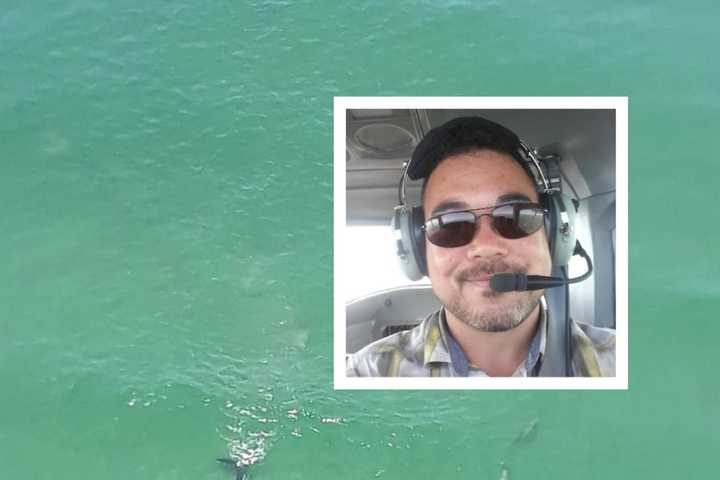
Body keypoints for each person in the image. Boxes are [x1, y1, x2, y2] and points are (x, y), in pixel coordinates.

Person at [346, 116, 615, 377]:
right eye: (450, 225)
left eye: (515, 216)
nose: (486, 246)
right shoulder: (363, 375)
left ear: (555, 234)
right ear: (417, 251)